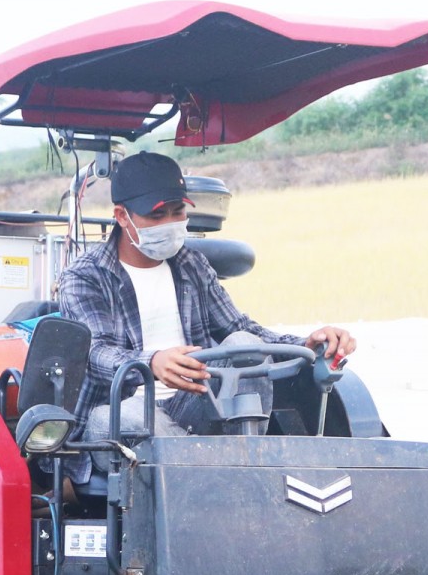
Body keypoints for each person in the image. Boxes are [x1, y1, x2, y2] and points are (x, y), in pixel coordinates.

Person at [57, 151, 358, 442]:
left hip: (195, 402)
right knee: (121, 418)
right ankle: (205, 461)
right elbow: (95, 354)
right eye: (157, 215)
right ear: (122, 216)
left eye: (177, 212)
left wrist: (304, 345)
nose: (170, 223)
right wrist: (152, 363)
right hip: (125, 408)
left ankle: (242, 454)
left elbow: (240, 327)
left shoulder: (192, 265)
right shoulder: (84, 277)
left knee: (243, 343)